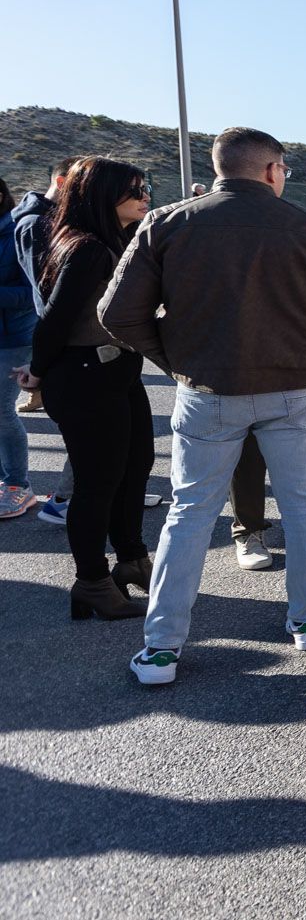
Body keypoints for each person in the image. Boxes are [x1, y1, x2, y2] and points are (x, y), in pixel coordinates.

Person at [102, 128, 306, 683]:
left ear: (221, 168)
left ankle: (161, 647)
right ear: (272, 171)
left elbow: (117, 313)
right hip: (295, 388)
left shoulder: (168, 224)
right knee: (303, 507)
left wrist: (175, 357)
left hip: (207, 391)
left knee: (189, 514)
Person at [14, 159, 153, 615]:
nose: (144, 194)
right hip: (86, 376)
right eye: (134, 189)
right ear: (103, 195)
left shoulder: (114, 238)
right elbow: (54, 318)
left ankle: (131, 559)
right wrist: (37, 371)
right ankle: (92, 581)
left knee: (135, 469)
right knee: (98, 484)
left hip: (116, 372)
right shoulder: (88, 247)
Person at [10, 158, 78, 510]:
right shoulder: (36, 224)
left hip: (37, 340)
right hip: (49, 344)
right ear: (63, 181)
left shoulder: (55, 221)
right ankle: (59, 499)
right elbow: (45, 296)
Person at [1, 175, 40, 520]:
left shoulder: (16, 232)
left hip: (13, 338)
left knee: (1, 413)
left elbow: (34, 292)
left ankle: (17, 485)